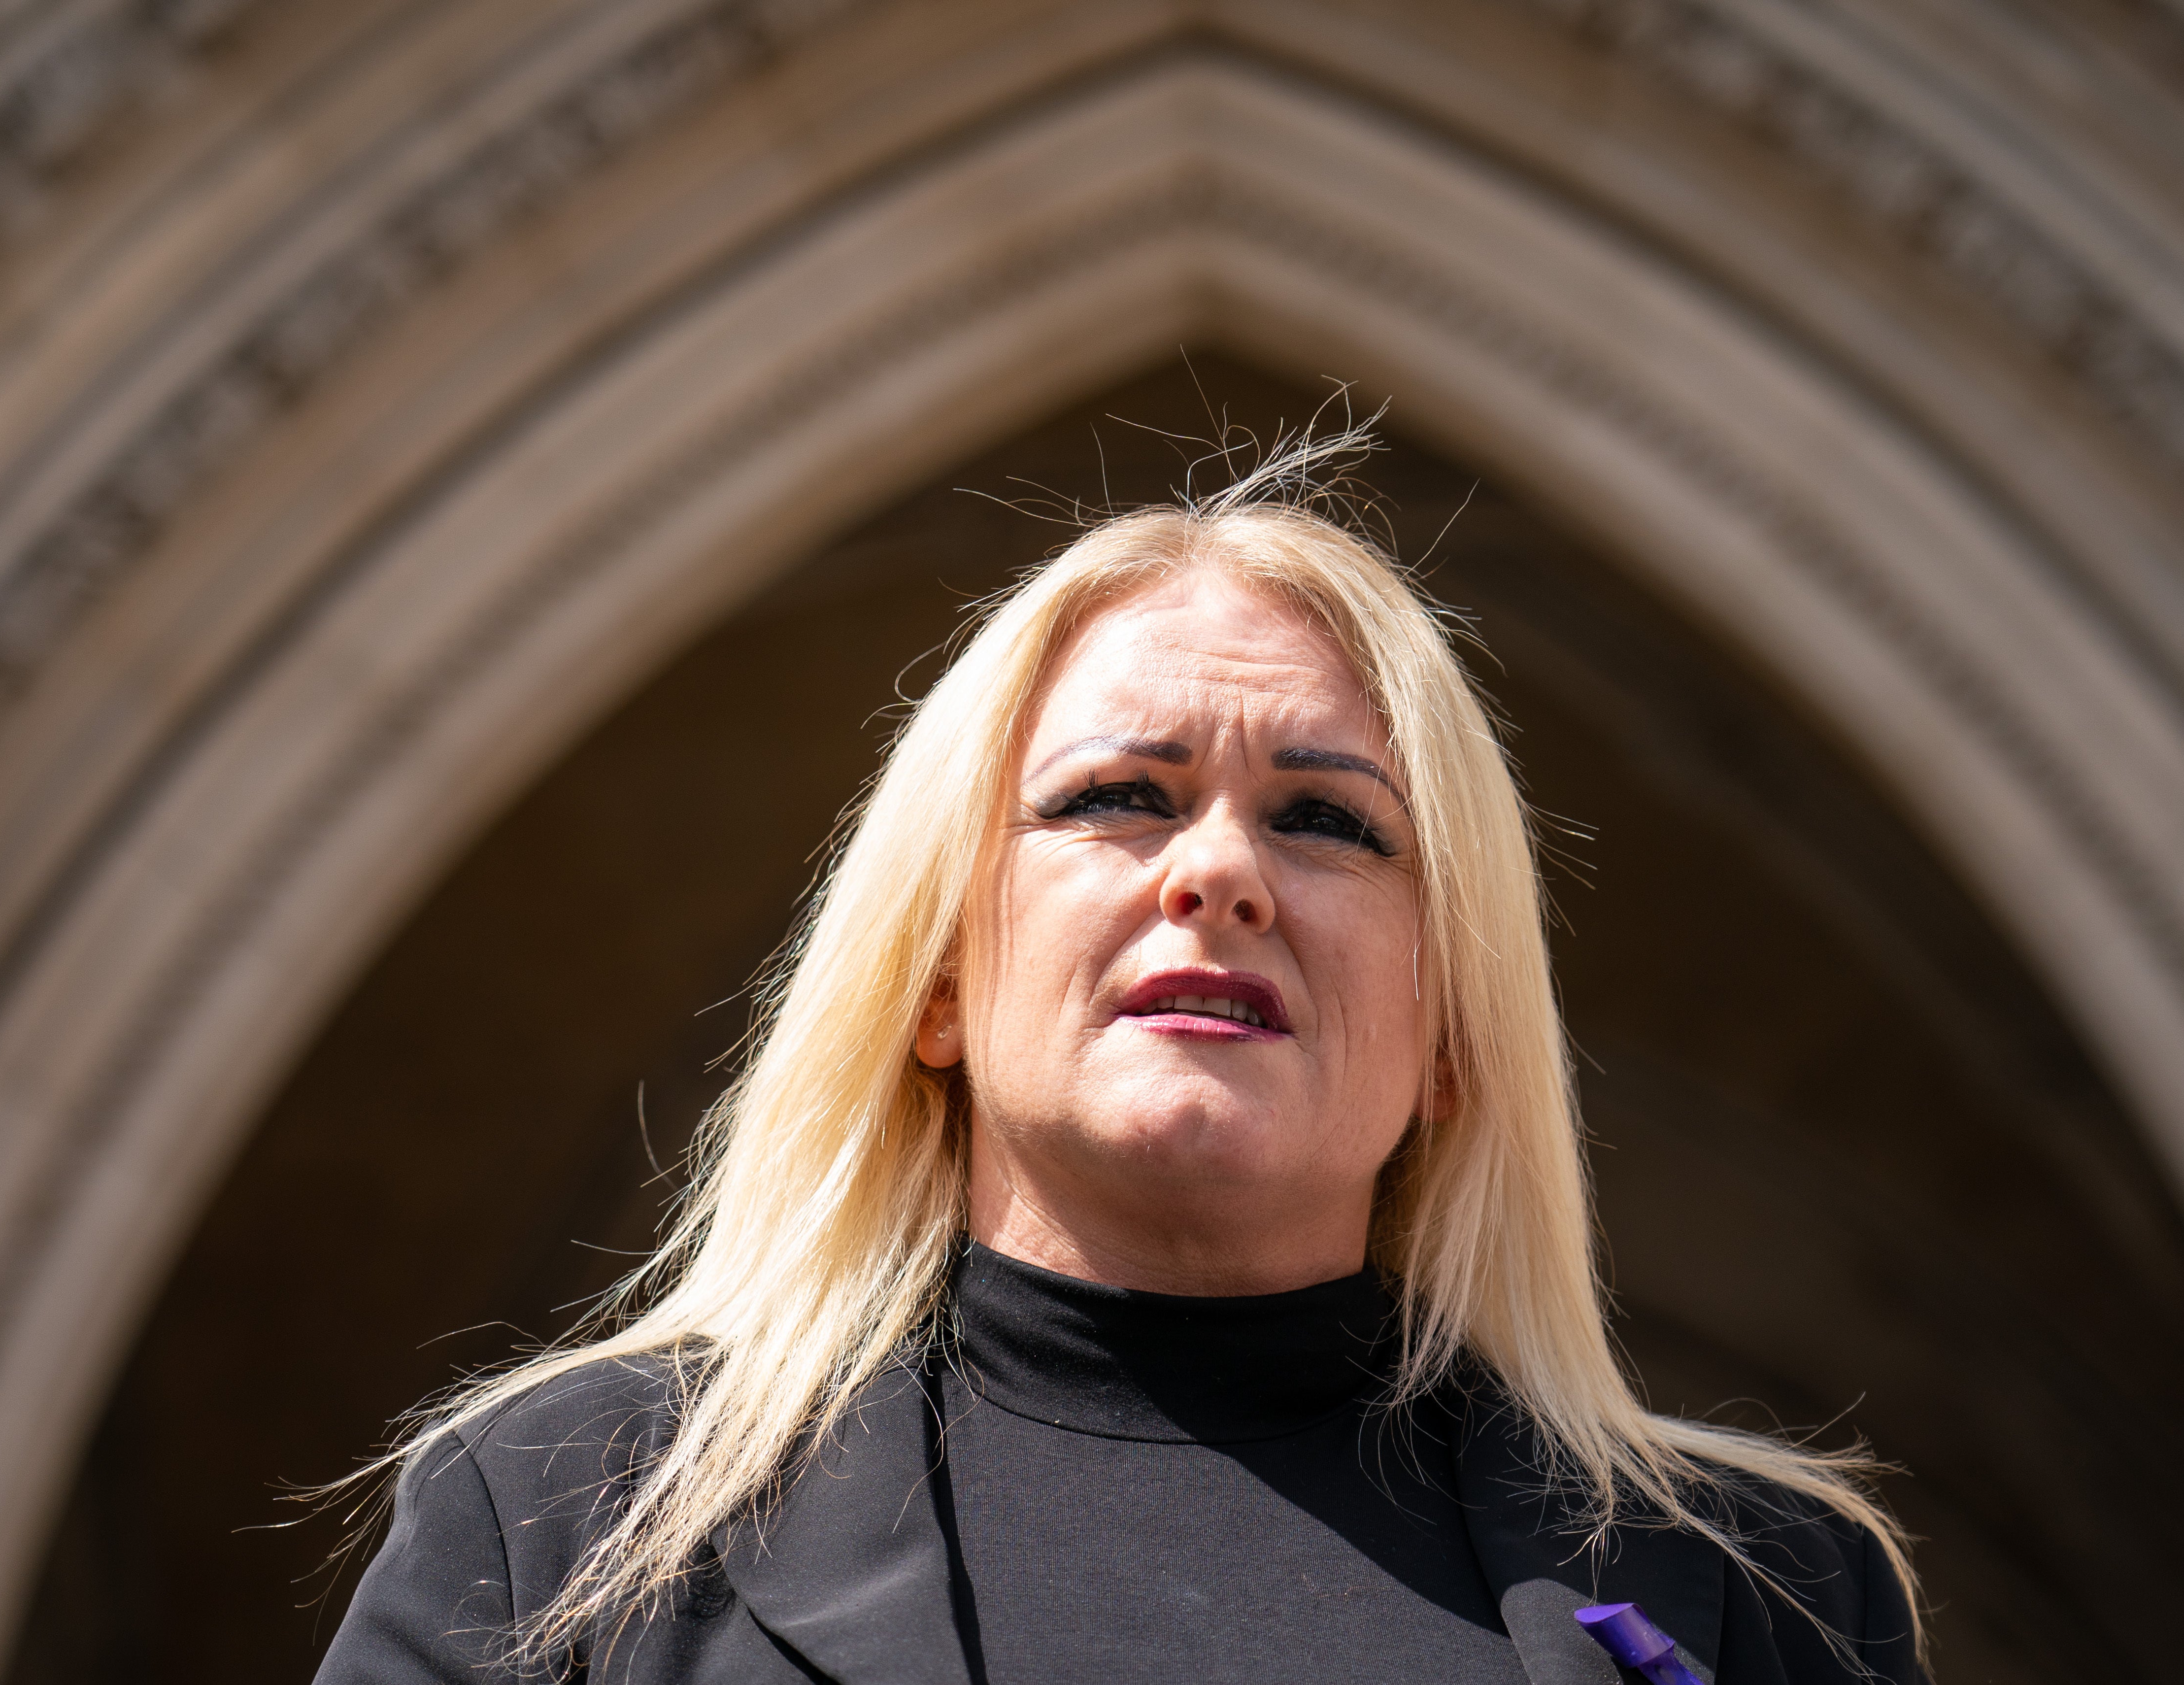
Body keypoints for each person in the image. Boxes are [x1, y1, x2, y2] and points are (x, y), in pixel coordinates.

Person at [315, 441, 1927, 1684]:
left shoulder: (1765, 1593)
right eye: (1117, 798)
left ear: (1449, 1035)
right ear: (935, 978)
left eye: (1327, 819)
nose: (1218, 873)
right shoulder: (561, 1520)